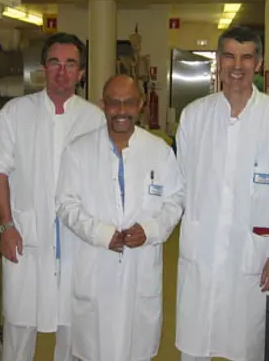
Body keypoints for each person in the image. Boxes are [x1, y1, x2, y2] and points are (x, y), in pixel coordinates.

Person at [175, 26, 269, 361]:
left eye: (246, 57)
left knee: (248, 346)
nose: (237, 66)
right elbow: (180, 185)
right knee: (195, 344)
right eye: (229, 56)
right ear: (218, 61)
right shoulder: (194, 116)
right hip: (202, 252)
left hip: (254, 255)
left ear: (258, 63)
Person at [0, 32, 106, 361]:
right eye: (55, 63)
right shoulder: (15, 113)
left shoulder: (94, 119)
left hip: (76, 241)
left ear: (81, 73)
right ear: (44, 69)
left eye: (70, 64)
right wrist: (6, 225)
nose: (62, 71)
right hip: (26, 236)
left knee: (73, 329)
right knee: (19, 324)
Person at [57, 75, 184, 361]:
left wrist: (151, 230)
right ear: (102, 105)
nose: (121, 110)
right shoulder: (78, 151)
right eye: (114, 103)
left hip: (141, 267)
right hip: (95, 266)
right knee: (94, 349)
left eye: (129, 103)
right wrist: (101, 233)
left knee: (136, 348)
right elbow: (65, 203)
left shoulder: (159, 151)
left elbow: (175, 200)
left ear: (141, 105)